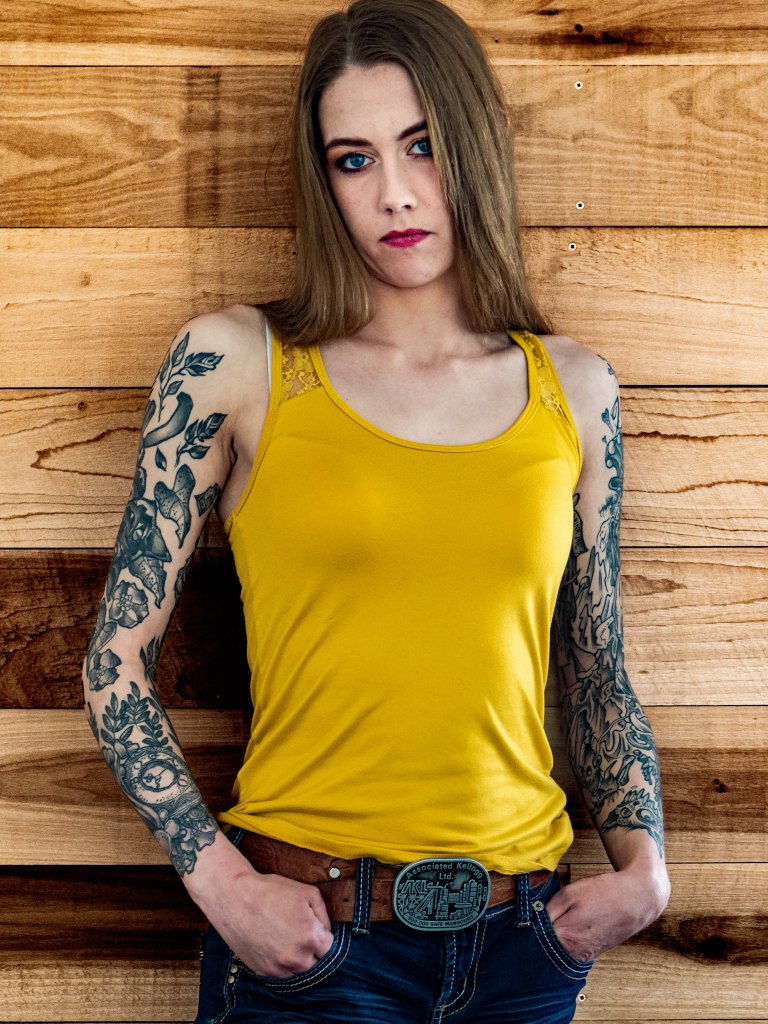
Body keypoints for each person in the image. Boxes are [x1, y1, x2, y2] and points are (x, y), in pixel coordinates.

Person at [82, 1, 671, 1020]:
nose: (394, 192)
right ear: (323, 181)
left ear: (476, 143)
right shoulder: (235, 364)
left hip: (524, 949)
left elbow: (596, 664)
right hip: (312, 951)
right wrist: (224, 887)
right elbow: (113, 663)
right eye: (353, 160)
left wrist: (646, 871)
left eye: (422, 145)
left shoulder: (576, 388)